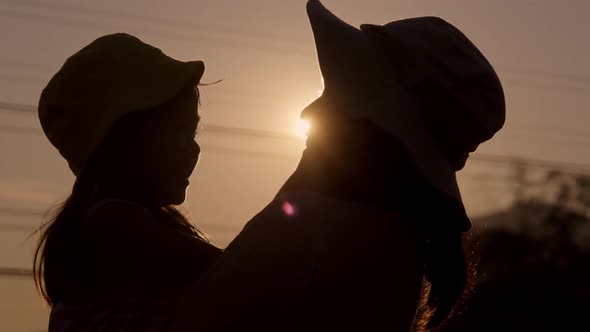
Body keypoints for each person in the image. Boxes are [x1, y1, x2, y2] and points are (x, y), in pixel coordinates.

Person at [163, 1, 506, 331]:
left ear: (370, 127)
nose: (308, 112)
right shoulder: (402, 243)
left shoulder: (310, 228)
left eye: (333, 94)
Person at [33, 33, 221, 331]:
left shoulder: (108, 221)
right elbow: (234, 271)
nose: (194, 147)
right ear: (123, 139)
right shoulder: (113, 222)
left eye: (193, 132)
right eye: (180, 129)